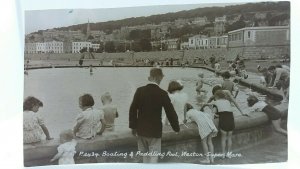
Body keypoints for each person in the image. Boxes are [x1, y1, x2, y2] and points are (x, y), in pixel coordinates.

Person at [129, 68, 180, 163]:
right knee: (154, 156)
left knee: (145, 156)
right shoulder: (163, 93)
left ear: (150, 77)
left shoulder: (139, 91)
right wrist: (176, 127)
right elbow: (170, 112)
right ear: (159, 78)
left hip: (141, 129)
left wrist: (133, 127)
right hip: (155, 130)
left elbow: (132, 109)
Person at [207, 90, 236, 158]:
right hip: (231, 118)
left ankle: (223, 154)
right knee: (229, 138)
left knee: (223, 138)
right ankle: (229, 154)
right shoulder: (228, 101)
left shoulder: (216, 102)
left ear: (217, 96)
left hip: (223, 119)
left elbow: (208, 105)